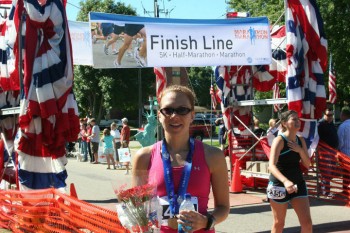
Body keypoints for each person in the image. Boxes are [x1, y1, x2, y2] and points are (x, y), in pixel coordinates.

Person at [132, 85, 230, 233]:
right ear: (159, 115)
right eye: (168, 110)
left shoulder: (213, 156)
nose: (174, 116)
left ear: (192, 115)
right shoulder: (143, 157)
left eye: (182, 110)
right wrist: (139, 224)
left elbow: (223, 208)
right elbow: (137, 208)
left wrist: (207, 221)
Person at [268, 110, 312, 233]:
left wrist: (300, 151)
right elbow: (271, 166)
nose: (298, 122)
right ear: (284, 123)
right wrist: (286, 181)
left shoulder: (300, 139)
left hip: (298, 183)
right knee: (279, 223)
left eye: (298, 119)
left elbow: (307, 164)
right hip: (279, 185)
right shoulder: (279, 140)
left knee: (307, 223)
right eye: (294, 119)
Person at [317, 108, 338, 197]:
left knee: (331, 172)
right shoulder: (320, 124)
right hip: (324, 152)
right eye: (328, 115)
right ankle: (326, 191)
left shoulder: (331, 123)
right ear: (324, 115)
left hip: (332, 151)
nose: (330, 117)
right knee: (326, 172)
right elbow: (317, 139)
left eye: (332, 115)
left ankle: (322, 188)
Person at [337, 107, 350, 195]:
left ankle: (346, 190)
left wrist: (338, 150)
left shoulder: (343, 126)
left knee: (346, 174)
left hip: (345, 154)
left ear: (344, 115)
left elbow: (340, 141)